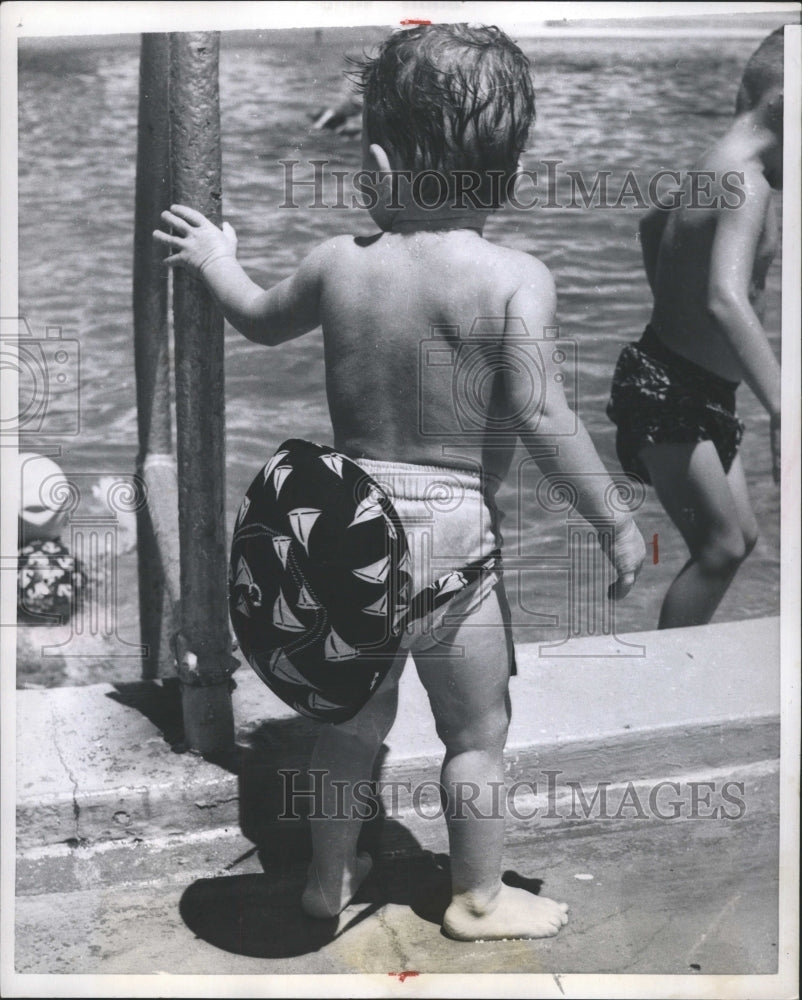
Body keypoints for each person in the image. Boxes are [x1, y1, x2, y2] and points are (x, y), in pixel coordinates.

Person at [154, 23, 645, 941]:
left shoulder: (341, 263)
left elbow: (257, 318)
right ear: (506, 175)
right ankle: (477, 898)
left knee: (352, 726)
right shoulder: (516, 279)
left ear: (376, 161)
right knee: (475, 734)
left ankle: (324, 882)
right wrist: (613, 522)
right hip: (457, 545)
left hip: (349, 532)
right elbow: (545, 419)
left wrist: (216, 256)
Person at [607, 28, 783, 630]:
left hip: (688, 381)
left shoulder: (717, 163)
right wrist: (786, 404)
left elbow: (651, 226)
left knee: (742, 536)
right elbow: (726, 299)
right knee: (722, 547)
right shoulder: (748, 181)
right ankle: (666, 675)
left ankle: (679, 659)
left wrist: (672, 312)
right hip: (669, 388)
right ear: (784, 107)